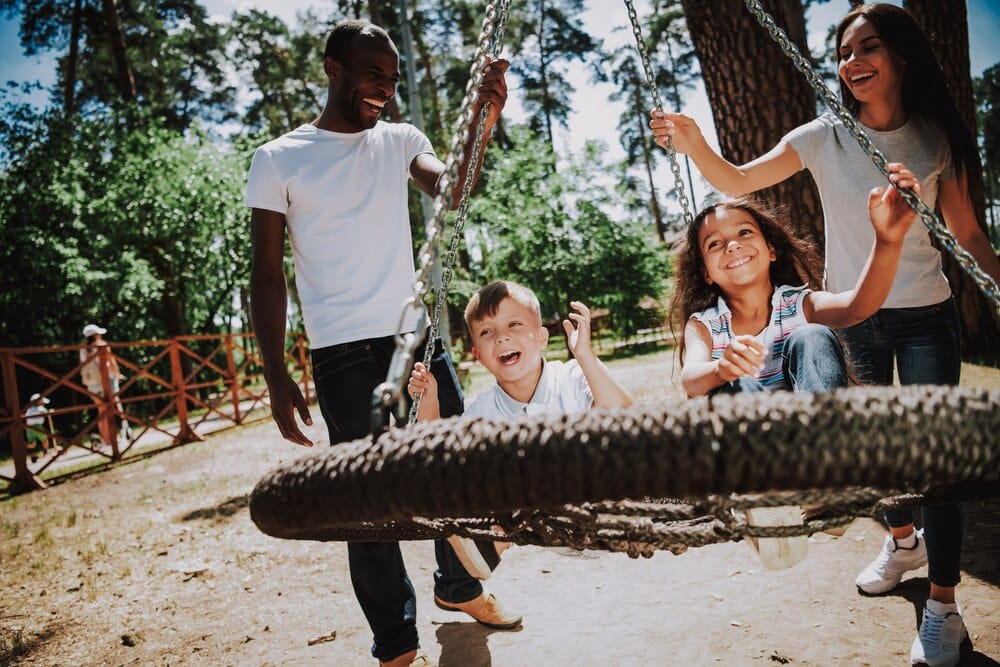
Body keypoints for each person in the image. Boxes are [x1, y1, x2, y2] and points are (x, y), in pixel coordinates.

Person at [650, 5, 1000, 664]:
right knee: (868, 445)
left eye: (868, 46)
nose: (853, 60)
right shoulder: (824, 134)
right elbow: (740, 180)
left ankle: (944, 608)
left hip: (927, 312)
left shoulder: (934, 140)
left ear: (900, 56)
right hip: (853, 311)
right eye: (844, 51)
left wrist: (998, 281)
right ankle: (903, 540)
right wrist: (696, 146)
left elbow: (969, 233)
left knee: (939, 463)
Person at [246, 20, 511, 667]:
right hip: (341, 352)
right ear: (333, 68)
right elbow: (266, 272)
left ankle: (459, 584)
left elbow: (454, 191)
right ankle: (397, 644)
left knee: (452, 469)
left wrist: (483, 117)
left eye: (391, 81)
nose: (385, 92)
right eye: (373, 76)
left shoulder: (398, 142)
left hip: (415, 336)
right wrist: (277, 374)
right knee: (368, 500)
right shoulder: (279, 158)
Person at [671, 169, 917, 398]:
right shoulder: (705, 325)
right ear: (706, 274)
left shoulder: (800, 305)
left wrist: (888, 242)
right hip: (749, 435)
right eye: (714, 243)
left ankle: (821, 431)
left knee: (812, 335)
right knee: (737, 383)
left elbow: (859, 306)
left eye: (744, 232)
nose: (732, 245)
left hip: (810, 425)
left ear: (771, 251)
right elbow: (690, 379)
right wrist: (721, 369)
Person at [80, 323, 124, 447]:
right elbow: (111, 362)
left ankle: (106, 439)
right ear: (96, 335)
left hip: (92, 383)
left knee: (101, 411)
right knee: (115, 405)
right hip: (106, 380)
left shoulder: (82, 349)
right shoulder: (102, 345)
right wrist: (118, 375)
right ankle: (121, 432)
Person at [24, 392, 54, 462]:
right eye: (43, 402)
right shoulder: (40, 408)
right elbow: (46, 412)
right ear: (39, 402)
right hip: (37, 426)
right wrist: (50, 411)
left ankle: (24, 449)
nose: (44, 404)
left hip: (29, 428)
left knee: (32, 444)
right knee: (45, 439)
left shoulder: (29, 409)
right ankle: (46, 452)